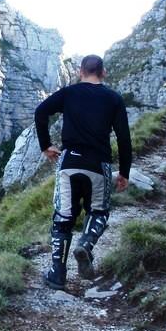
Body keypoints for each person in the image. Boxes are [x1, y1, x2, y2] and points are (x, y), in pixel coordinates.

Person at [34, 54, 132, 290]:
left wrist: (45, 145)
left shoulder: (69, 93)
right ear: (103, 72)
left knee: (63, 219)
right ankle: (86, 244)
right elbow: (124, 138)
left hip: (69, 163)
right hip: (99, 165)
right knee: (98, 212)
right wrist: (124, 173)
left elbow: (41, 112)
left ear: (80, 72)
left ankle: (57, 273)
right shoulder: (114, 99)